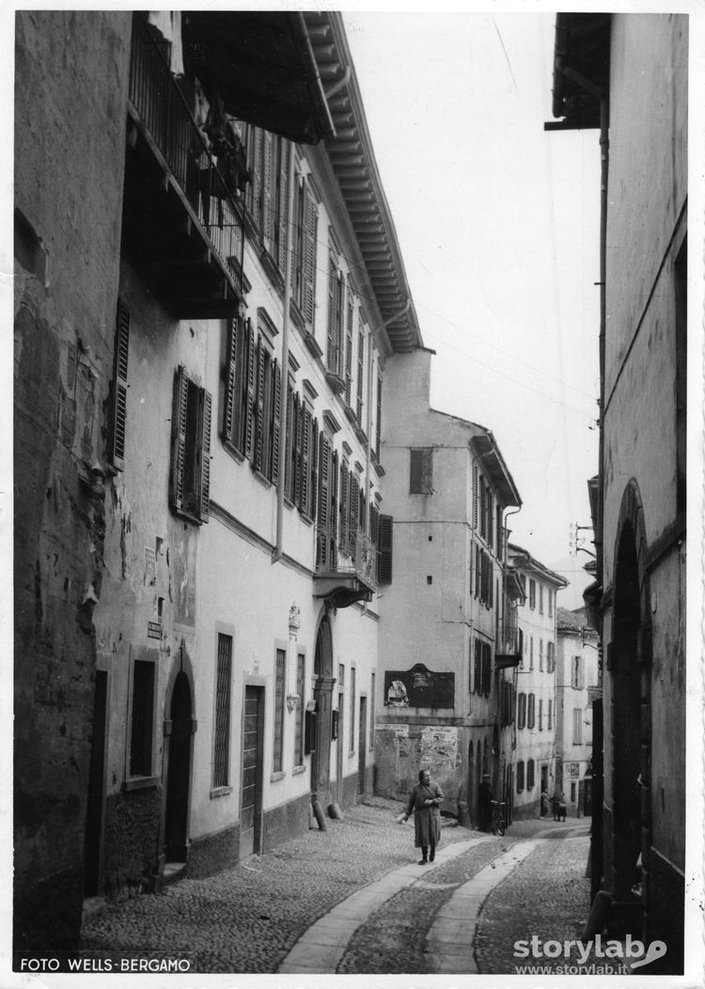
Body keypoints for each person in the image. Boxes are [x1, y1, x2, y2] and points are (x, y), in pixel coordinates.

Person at [402, 768, 444, 864]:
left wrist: (433, 801)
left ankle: (432, 850)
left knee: (433, 834)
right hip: (421, 814)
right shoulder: (416, 789)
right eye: (426, 776)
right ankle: (424, 857)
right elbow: (411, 802)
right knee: (423, 835)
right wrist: (407, 814)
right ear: (421, 778)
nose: (428, 777)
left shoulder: (435, 785)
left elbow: (441, 797)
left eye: (429, 775)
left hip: (433, 813)